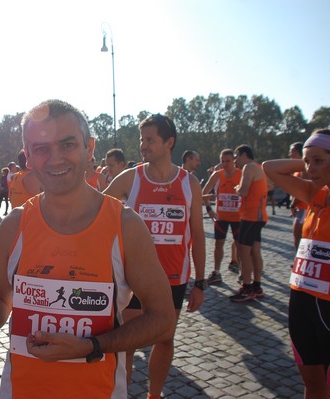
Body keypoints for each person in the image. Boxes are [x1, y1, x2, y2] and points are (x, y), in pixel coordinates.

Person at [0, 99, 176, 398]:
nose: (55, 159)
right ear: (28, 156)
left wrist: (93, 346)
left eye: (67, 145)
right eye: (41, 149)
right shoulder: (15, 224)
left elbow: (162, 319)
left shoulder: (125, 225)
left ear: (89, 147)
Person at [104, 113, 206, 397]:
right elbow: (97, 213)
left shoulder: (190, 184)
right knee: (126, 342)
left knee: (164, 340)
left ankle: (154, 395)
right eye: (141, 139)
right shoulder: (130, 178)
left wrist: (199, 282)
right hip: (134, 276)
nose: (143, 145)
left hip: (173, 278)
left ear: (169, 142)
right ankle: (121, 393)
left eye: (150, 139)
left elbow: (197, 235)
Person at [263, 129, 330, 398]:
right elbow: (270, 168)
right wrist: (311, 159)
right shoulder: (316, 194)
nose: (310, 168)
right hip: (301, 300)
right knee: (313, 384)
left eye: (318, 161)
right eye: (307, 161)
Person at [229, 144, 269, 302]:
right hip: (258, 216)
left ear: (244, 155)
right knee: (255, 251)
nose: (235, 160)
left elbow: (243, 190)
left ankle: (246, 287)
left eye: (236, 156)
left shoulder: (249, 167)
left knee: (243, 252)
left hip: (251, 216)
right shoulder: (258, 167)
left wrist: (237, 187)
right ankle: (257, 286)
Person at [202, 149, 242, 284]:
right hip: (221, 217)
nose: (225, 164)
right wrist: (209, 210)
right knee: (218, 244)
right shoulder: (217, 175)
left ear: (234, 161)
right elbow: (203, 193)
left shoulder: (242, 174)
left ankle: (242, 273)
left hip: (238, 217)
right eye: (222, 161)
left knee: (240, 245)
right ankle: (217, 272)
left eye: (228, 161)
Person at [288, 141, 307, 251]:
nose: (290, 154)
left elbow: (300, 191)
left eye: (291, 151)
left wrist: (293, 204)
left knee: (298, 234)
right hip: (301, 207)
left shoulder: (302, 170)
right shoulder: (299, 169)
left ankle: (298, 259)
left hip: (302, 208)